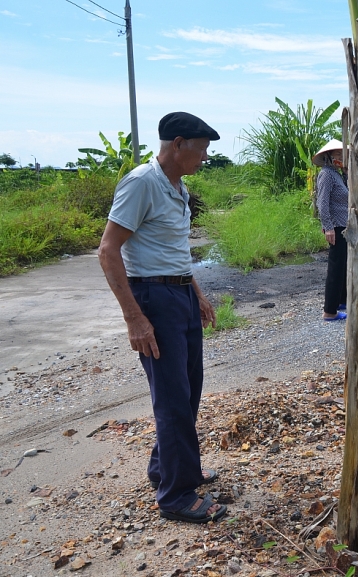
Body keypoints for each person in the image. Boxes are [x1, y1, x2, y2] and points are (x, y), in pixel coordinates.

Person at [98, 112, 227, 524]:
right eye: (201, 150)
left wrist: (198, 295)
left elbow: (175, 252)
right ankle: (176, 496)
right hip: (154, 298)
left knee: (187, 391)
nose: (204, 158)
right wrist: (134, 318)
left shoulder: (179, 187)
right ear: (178, 144)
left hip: (180, 294)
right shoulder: (141, 183)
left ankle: (168, 469)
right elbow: (108, 250)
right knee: (172, 398)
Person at [313, 139, 348, 321]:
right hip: (336, 226)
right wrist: (328, 227)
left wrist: (347, 173)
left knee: (343, 265)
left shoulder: (337, 174)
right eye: (337, 154)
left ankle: (341, 301)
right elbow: (322, 203)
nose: (341, 157)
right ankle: (329, 311)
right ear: (328, 156)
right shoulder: (326, 174)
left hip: (344, 226)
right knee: (336, 268)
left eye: (342, 154)